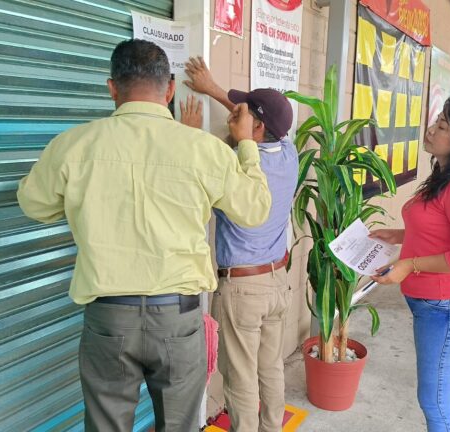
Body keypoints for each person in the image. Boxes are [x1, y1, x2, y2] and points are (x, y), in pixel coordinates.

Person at [16, 39, 271, 432]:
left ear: (112, 88)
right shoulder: (204, 150)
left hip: (108, 319)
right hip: (179, 321)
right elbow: (254, 210)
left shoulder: (72, 146)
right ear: (169, 89)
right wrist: (248, 146)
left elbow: (34, 204)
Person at [181, 56, 298, 432]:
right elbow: (260, 124)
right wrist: (214, 89)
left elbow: (197, 173)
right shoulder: (290, 154)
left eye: (243, 112)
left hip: (243, 290)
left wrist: (190, 132)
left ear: (257, 126)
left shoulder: (233, 165)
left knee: (242, 378)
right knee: (270, 368)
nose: (236, 114)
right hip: (278, 282)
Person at [370, 96, 450, 432]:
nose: (431, 130)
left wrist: (409, 264)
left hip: (447, 309)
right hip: (435, 306)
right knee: (442, 394)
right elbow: (441, 231)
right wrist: (399, 235)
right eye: (436, 121)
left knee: (433, 400)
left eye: (442, 126)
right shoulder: (445, 178)